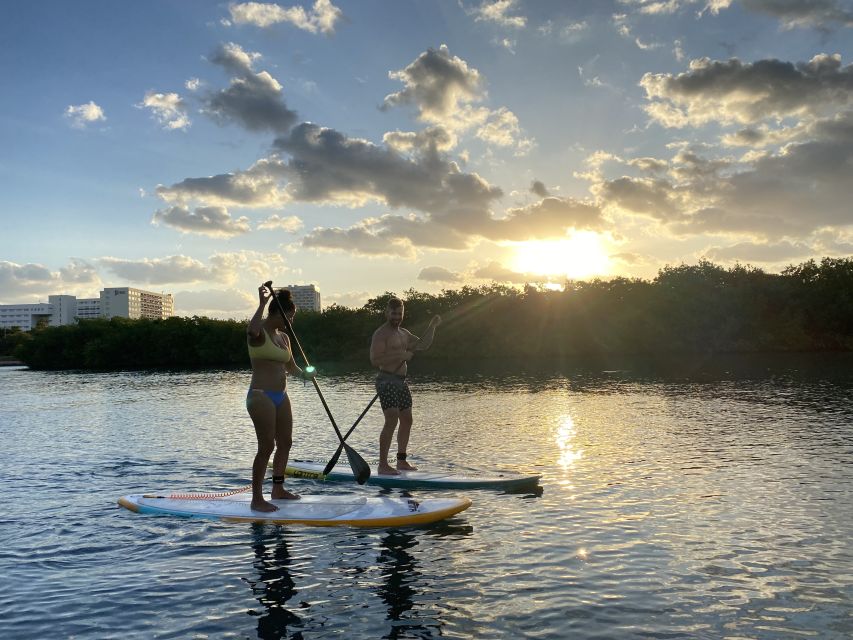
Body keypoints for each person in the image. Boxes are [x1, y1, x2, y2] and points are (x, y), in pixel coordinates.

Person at [246, 285, 314, 512]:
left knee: (286, 442)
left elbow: (291, 367)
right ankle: (257, 499)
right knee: (266, 446)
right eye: (289, 317)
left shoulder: (284, 337)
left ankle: (278, 489)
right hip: (260, 395)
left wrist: (306, 374)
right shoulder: (259, 334)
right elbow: (251, 330)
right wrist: (262, 304)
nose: (291, 322)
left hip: (281, 395)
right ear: (278, 314)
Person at [369, 297, 441, 475]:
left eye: (399, 313)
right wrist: (400, 355)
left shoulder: (404, 333)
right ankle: (383, 465)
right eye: (393, 313)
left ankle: (401, 461)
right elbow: (375, 360)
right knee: (391, 419)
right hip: (386, 380)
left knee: (407, 419)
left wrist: (432, 327)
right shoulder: (381, 334)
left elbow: (423, 344)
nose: (397, 317)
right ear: (387, 313)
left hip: (401, 381)